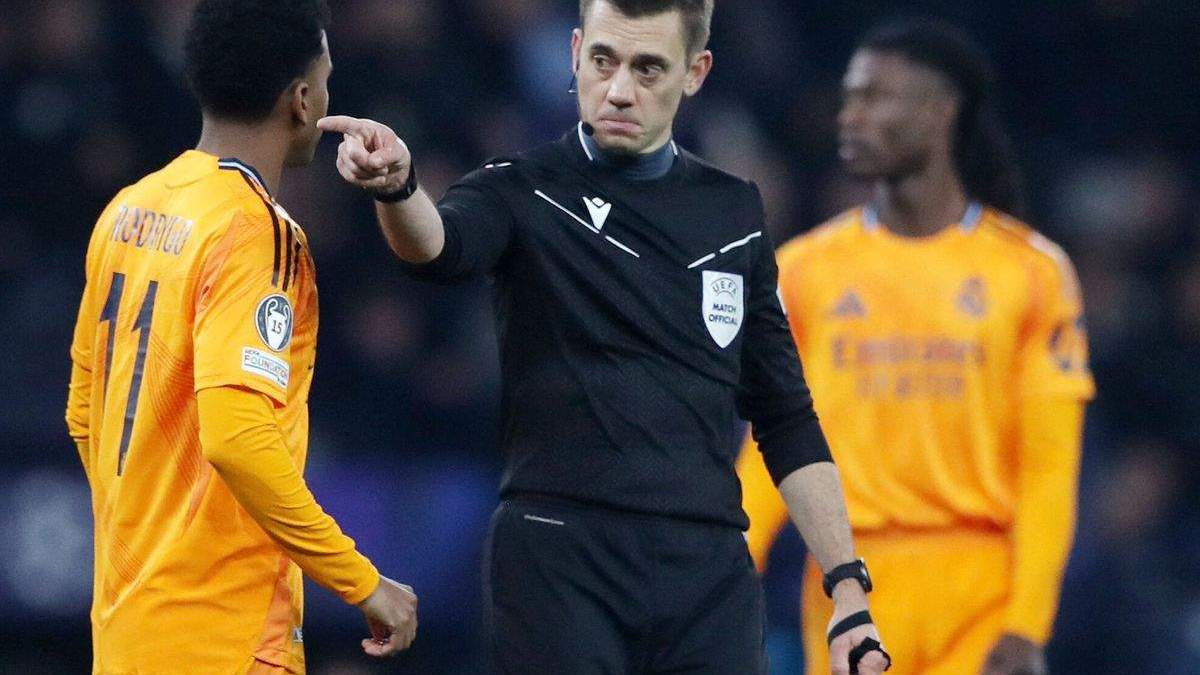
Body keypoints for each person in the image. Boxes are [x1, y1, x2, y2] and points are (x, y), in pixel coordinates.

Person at [319, 1, 889, 673]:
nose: (619, 90)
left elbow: (786, 415)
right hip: (559, 562)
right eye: (603, 61)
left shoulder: (734, 212)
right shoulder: (522, 189)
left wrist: (847, 587)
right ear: (574, 54)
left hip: (706, 574)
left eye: (648, 69)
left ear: (695, 72)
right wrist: (399, 188)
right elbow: (438, 246)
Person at [64, 1, 418, 672]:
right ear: (302, 100)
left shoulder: (129, 209)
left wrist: (150, 536)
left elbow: (86, 413)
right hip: (226, 634)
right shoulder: (256, 232)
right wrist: (361, 581)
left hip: (126, 631)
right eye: (327, 79)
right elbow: (239, 436)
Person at [736, 19, 1094, 675]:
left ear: (939, 113)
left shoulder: (1033, 273)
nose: (849, 116)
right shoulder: (804, 272)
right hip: (849, 586)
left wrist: (1026, 625)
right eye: (849, 97)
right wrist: (727, 571)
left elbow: (1048, 468)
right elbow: (771, 450)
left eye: (874, 97)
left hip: (982, 592)